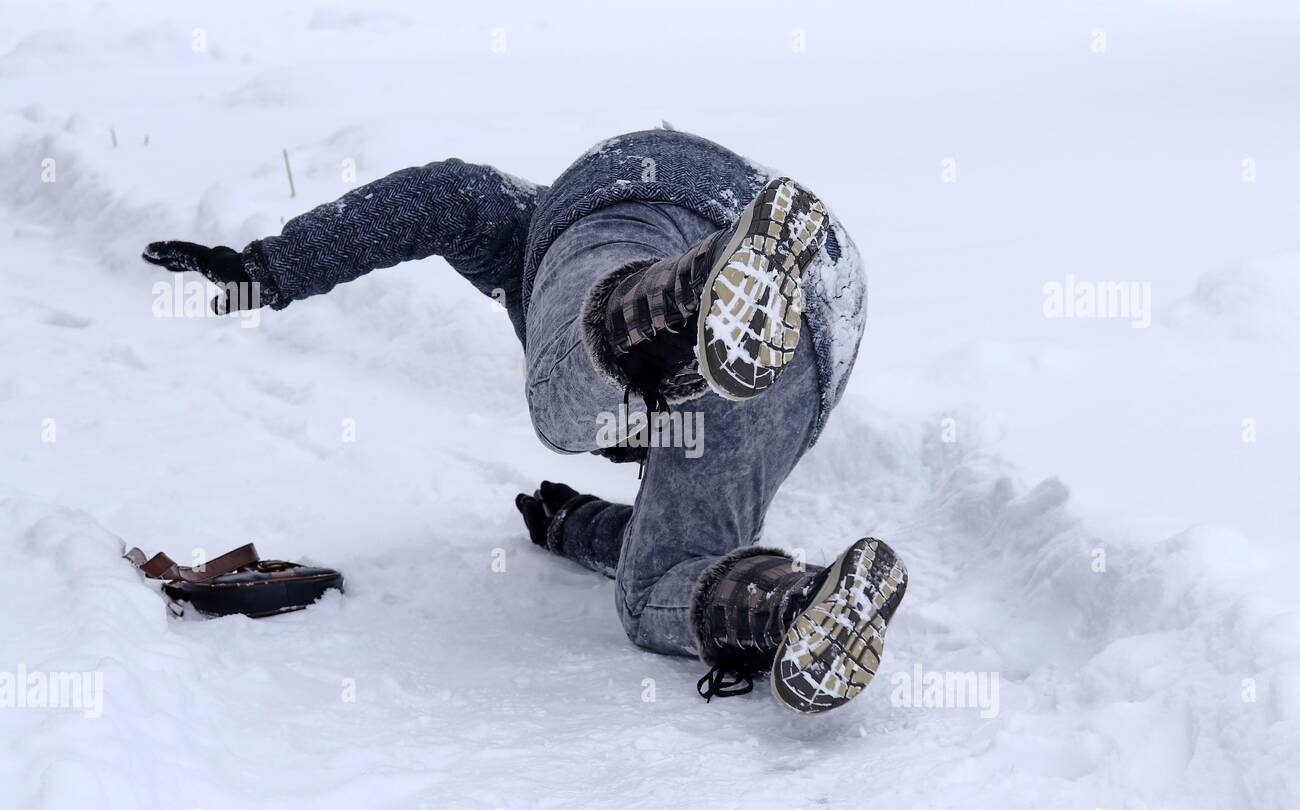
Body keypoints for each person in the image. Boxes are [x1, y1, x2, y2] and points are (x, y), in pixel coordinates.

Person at [141, 127, 908, 715]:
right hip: (824, 314)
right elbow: (646, 532)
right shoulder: (711, 383)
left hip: (639, 194)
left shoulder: (528, 226)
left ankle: (689, 291)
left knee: (562, 404)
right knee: (654, 592)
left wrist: (270, 268)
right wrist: (572, 526)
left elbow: (444, 196)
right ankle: (801, 609)